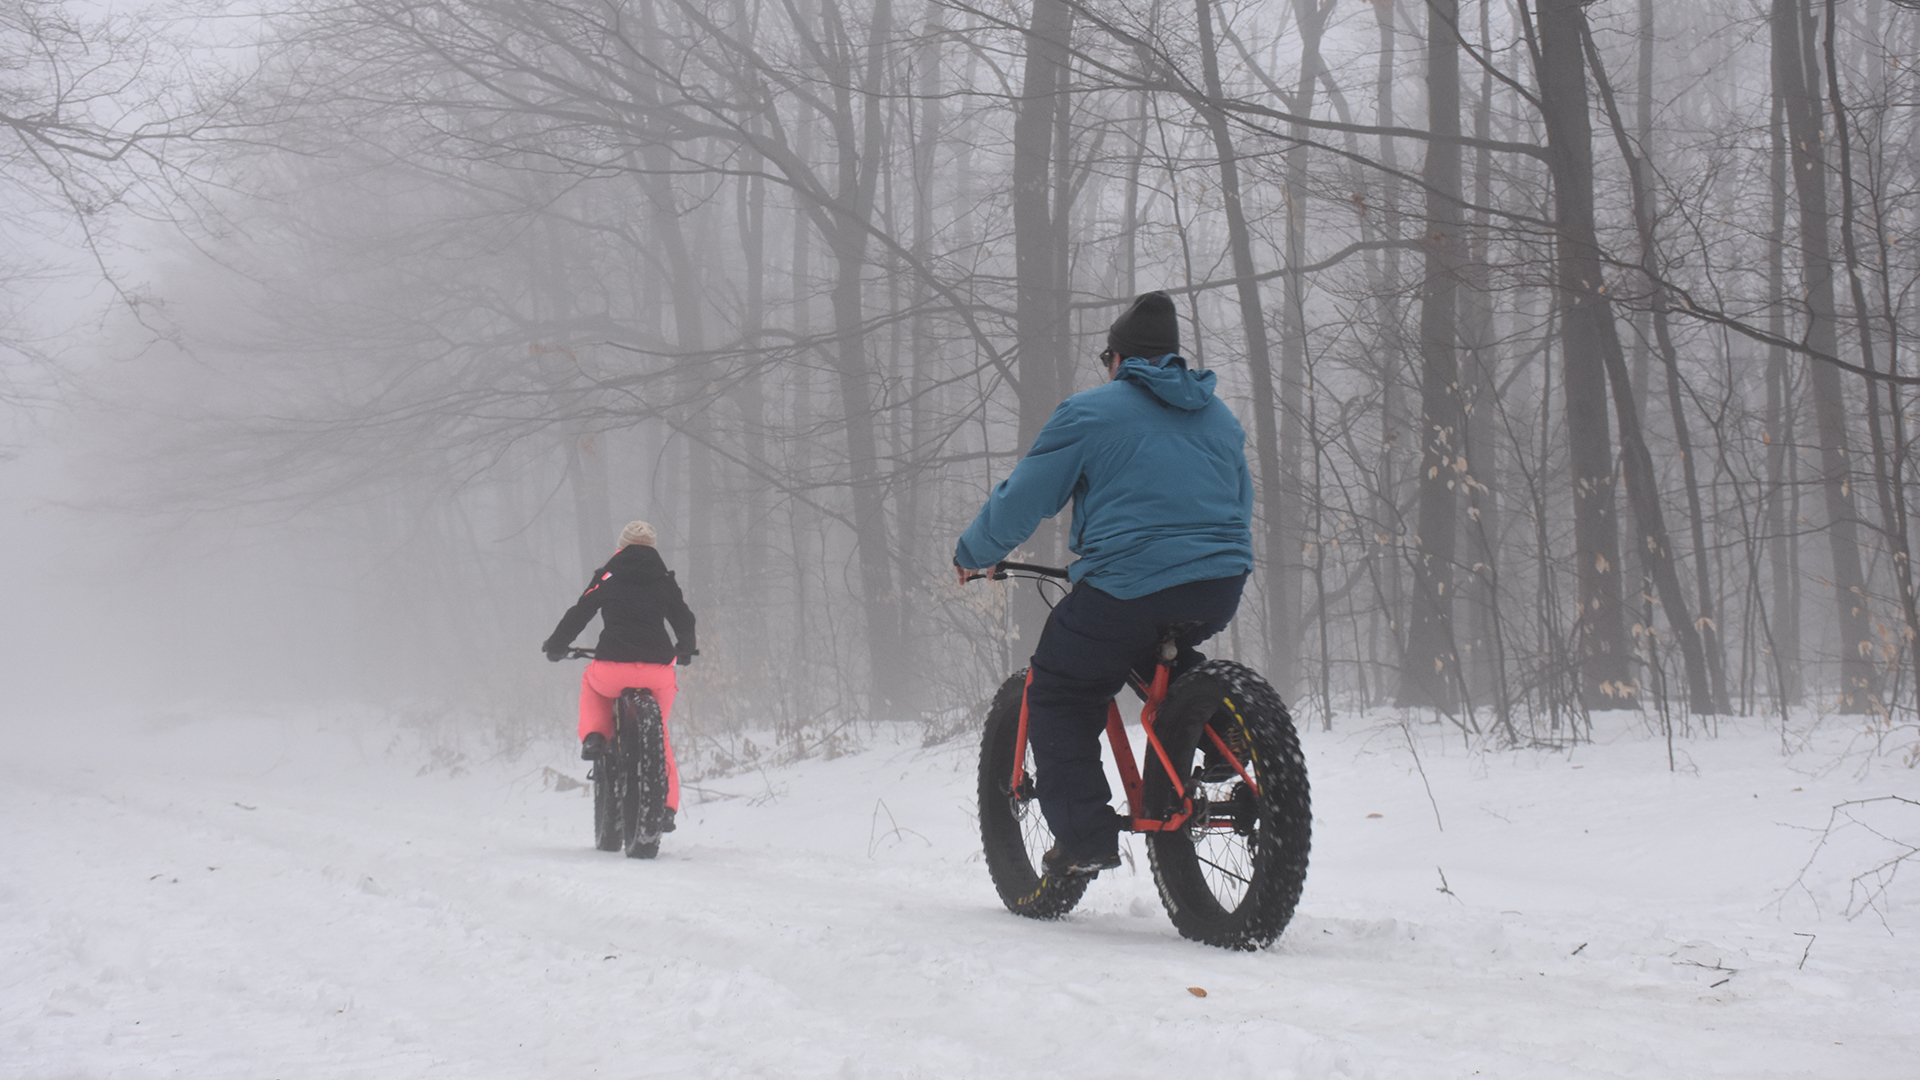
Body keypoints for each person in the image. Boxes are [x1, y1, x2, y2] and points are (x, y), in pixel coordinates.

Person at [954, 291, 1254, 877]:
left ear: (1118, 359)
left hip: (1128, 584)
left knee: (1063, 687)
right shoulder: (1220, 417)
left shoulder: (1090, 412)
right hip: (1219, 583)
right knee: (1154, 651)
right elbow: (1237, 507)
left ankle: (1086, 838)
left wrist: (974, 553)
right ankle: (1225, 726)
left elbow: (1025, 498)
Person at [543, 520, 698, 831]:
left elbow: (580, 611)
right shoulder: (663, 579)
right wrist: (684, 649)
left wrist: (557, 645)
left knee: (592, 683)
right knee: (661, 735)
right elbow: (683, 616)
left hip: (613, 667)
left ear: (622, 545)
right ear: (652, 547)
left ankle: (595, 737)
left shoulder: (609, 576)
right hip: (657, 672)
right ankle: (665, 808)